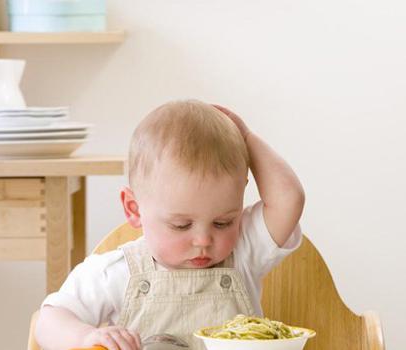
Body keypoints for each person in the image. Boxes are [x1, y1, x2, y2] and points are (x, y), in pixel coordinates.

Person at [35, 100, 305, 350]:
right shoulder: (115, 273)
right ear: (134, 209)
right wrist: (85, 336)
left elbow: (289, 200)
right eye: (181, 225)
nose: (203, 240)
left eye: (223, 222)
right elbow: (48, 321)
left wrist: (247, 140)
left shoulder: (245, 253)